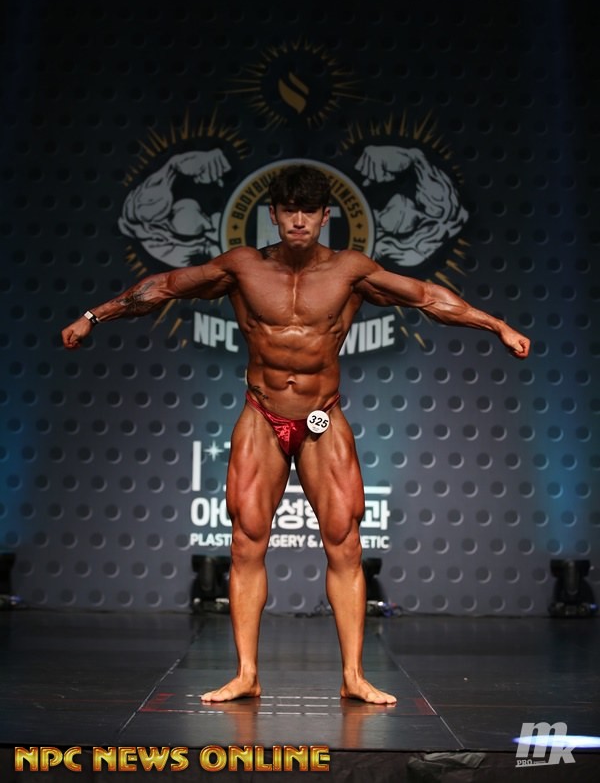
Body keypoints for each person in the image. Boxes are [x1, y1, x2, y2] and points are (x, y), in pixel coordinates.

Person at [62, 164, 530, 705]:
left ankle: (353, 676)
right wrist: (94, 316)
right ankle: (246, 673)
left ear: (326, 216)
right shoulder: (243, 267)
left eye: (309, 211)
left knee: (345, 543)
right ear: (275, 215)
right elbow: (164, 287)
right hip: (262, 414)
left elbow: (426, 297)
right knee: (245, 541)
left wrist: (497, 325)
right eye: (290, 210)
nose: (299, 220)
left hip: (319, 417)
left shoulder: (350, 271)